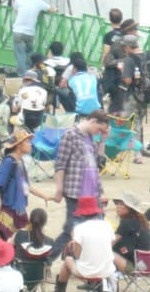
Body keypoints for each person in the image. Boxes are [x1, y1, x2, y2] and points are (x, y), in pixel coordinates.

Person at [50, 110, 110, 256]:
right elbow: (60, 164)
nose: (98, 132)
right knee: (71, 230)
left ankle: (72, 259)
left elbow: (98, 161)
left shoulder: (90, 137)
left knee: (92, 230)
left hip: (93, 193)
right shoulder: (69, 135)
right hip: (76, 192)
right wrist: (59, 189)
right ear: (93, 121)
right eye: (99, 129)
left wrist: (102, 140)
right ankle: (47, 259)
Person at [0, 131, 54, 241]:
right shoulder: (9, 162)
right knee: (8, 246)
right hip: (7, 211)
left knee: (20, 243)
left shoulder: (20, 161)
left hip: (19, 210)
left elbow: (27, 186)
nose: (30, 144)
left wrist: (45, 196)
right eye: (27, 142)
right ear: (19, 145)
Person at [53, 196, 114, 292]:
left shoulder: (79, 228)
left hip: (87, 272)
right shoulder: (107, 225)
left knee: (67, 261)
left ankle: (59, 289)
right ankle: (97, 285)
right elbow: (110, 246)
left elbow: (77, 254)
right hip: (107, 270)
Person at [10, 0, 55, 78]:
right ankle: (30, 73)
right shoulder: (38, 1)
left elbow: (16, 10)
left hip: (18, 31)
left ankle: (22, 75)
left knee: (20, 54)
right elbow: (52, 9)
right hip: (30, 33)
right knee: (29, 54)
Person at [110, 193, 150, 273]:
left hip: (139, 267)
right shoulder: (140, 221)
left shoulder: (127, 222)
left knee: (108, 253)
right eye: (117, 204)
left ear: (130, 208)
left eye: (122, 204)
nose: (118, 206)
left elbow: (112, 242)